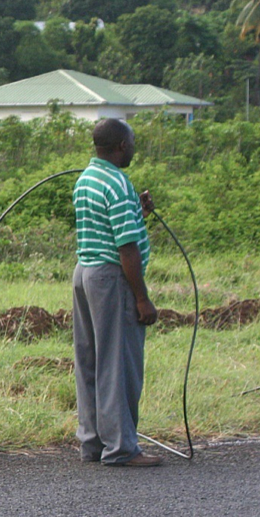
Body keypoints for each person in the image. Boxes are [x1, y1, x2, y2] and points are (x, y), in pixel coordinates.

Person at [72, 118, 161, 467]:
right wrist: (141, 297)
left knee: (90, 361)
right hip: (112, 279)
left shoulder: (87, 178)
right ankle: (122, 448)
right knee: (118, 363)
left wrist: (140, 214)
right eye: (133, 141)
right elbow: (126, 248)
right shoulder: (118, 182)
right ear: (122, 145)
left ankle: (93, 444)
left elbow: (105, 226)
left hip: (85, 274)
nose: (134, 147)